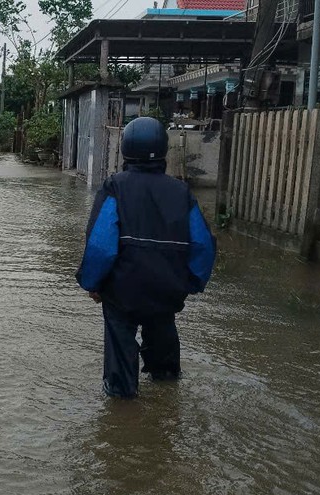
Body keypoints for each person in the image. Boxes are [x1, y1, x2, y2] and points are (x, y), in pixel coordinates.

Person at [76, 117, 216, 398]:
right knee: (165, 362)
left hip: (121, 293)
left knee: (120, 367)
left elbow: (101, 245)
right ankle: (166, 393)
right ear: (163, 150)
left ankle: (124, 408)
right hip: (166, 290)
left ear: (126, 150)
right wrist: (191, 283)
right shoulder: (181, 192)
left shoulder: (115, 186)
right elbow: (202, 244)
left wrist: (92, 283)